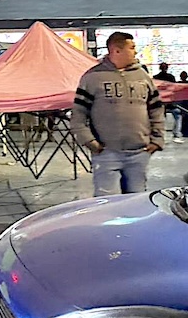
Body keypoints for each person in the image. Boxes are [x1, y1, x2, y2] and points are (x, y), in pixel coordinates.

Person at [69, 31, 165, 196]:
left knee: (136, 200)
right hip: (106, 153)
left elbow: (156, 109)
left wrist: (157, 140)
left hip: (139, 153)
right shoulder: (92, 78)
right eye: (132, 47)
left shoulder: (143, 76)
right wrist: (90, 142)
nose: (135, 51)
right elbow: (78, 113)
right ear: (116, 50)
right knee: (107, 202)